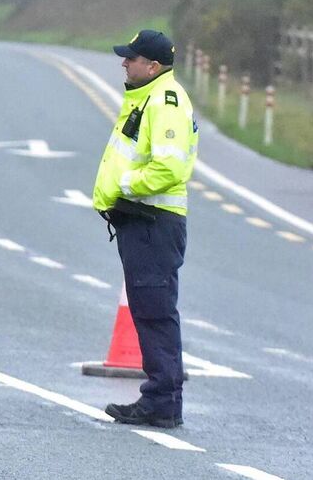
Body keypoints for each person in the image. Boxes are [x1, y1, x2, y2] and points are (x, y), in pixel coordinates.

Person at [92, 29, 198, 428]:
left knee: (155, 312)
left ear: (152, 66)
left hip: (152, 221)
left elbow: (170, 167)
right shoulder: (148, 97)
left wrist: (126, 186)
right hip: (143, 222)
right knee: (149, 310)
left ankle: (163, 402)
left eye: (131, 58)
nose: (124, 62)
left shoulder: (164, 101)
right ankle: (160, 398)